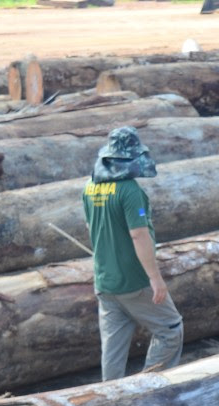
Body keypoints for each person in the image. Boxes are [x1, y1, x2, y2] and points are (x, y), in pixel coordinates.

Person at [82, 126, 183, 382]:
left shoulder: (90, 188)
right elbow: (138, 234)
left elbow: (91, 228)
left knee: (113, 348)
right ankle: (150, 387)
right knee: (170, 330)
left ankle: (109, 396)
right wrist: (155, 278)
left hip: (105, 283)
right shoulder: (129, 191)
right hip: (134, 282)